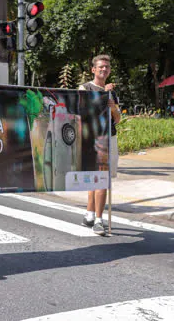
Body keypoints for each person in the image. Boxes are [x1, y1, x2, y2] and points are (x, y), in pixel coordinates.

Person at [78, 54, 121, 236]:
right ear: (93, 69)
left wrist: (112, 106)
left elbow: (117, 119)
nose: (104, 69)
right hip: (92, 138)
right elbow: (82, 110)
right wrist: (103, 95)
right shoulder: (85, 88)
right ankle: (98, 220)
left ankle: (89, 214)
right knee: (99, 178)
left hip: (109, 137)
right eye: (100, 67)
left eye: (107, 67)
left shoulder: (112, 92)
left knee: (98, 178)